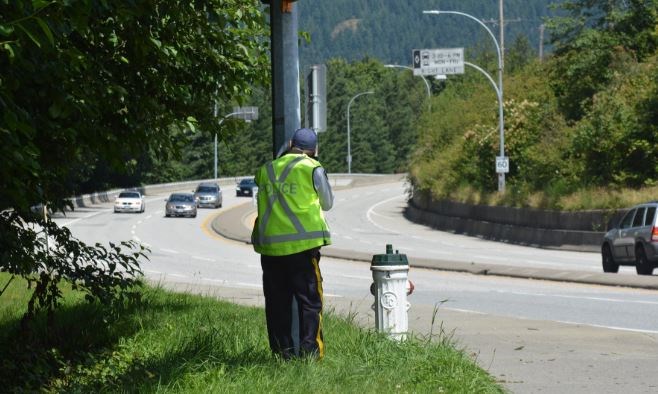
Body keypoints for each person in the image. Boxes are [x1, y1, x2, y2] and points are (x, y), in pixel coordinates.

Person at [251, 127, 334, 360]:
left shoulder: (266, 170)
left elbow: (275, 167)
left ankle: (282, 355)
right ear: (314, 150)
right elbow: (327, 204)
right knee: (310, 303)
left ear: (290, 144)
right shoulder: (313, 169)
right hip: (303, 249)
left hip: (271, 250)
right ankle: (310, 354)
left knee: (277, 304)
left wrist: (283, 151)